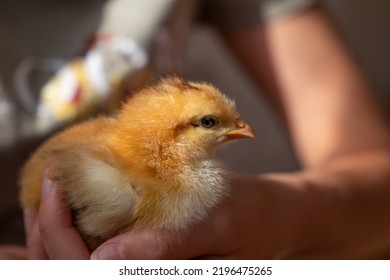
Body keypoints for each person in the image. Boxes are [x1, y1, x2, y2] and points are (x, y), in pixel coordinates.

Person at [3, 0, 390, 259]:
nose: (240, 128)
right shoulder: (116, 190)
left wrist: (284, 216)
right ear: (170, 136)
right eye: (210, 123)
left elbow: (371, 165)